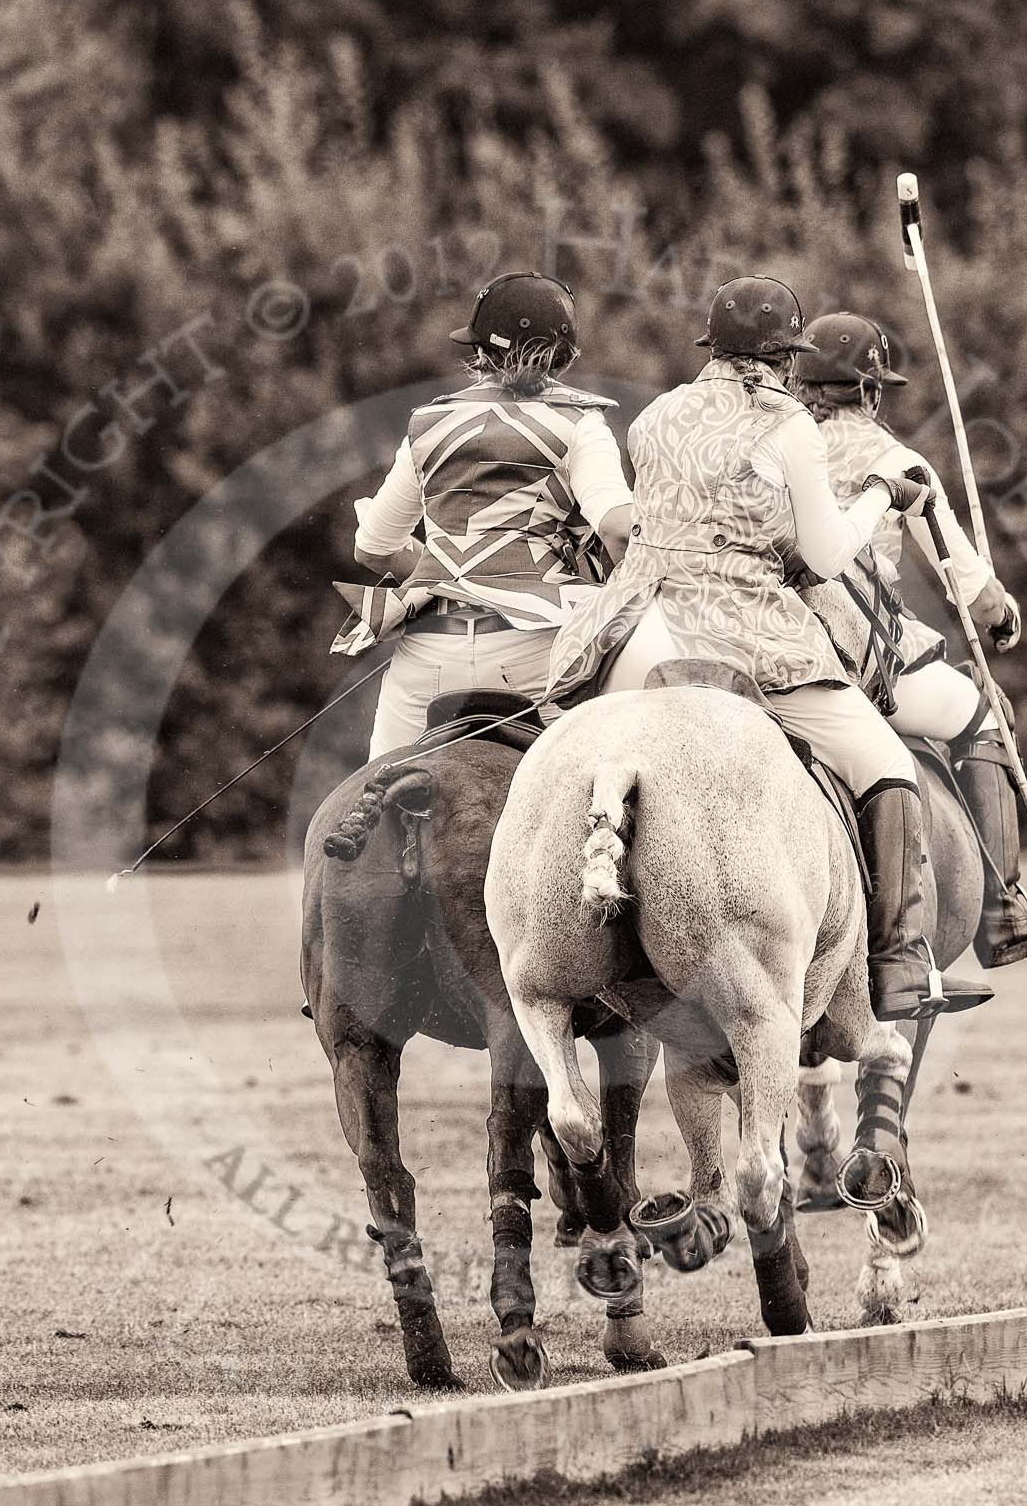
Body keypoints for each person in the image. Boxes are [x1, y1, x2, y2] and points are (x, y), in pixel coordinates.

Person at [547, 276, 991, 1023]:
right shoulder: (787, 424)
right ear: (785, 357)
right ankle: (898, 965)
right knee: (882, 759)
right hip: (743, 631)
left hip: (635, 629)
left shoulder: (654, 414)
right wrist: (882, 490)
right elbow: (822, 556)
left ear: (712, 348)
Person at [796, 312, 1027, 967]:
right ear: (869, 391)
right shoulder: (896, 460)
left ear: (799, 381)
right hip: (854, 649)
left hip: (765, 641)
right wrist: (1000, 614)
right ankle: (1000, 910)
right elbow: (966, 585)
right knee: (982, 713)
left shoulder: (771, 442)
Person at [330, 272, 633, 760]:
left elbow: (373, 548)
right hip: (537, 657)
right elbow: (618, 528)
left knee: (369, 814)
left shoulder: (429, 423)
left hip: (429, 659)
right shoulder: (581, 425)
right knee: (606, 800)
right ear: (563, 354)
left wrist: (450, 570)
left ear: (481, 352)